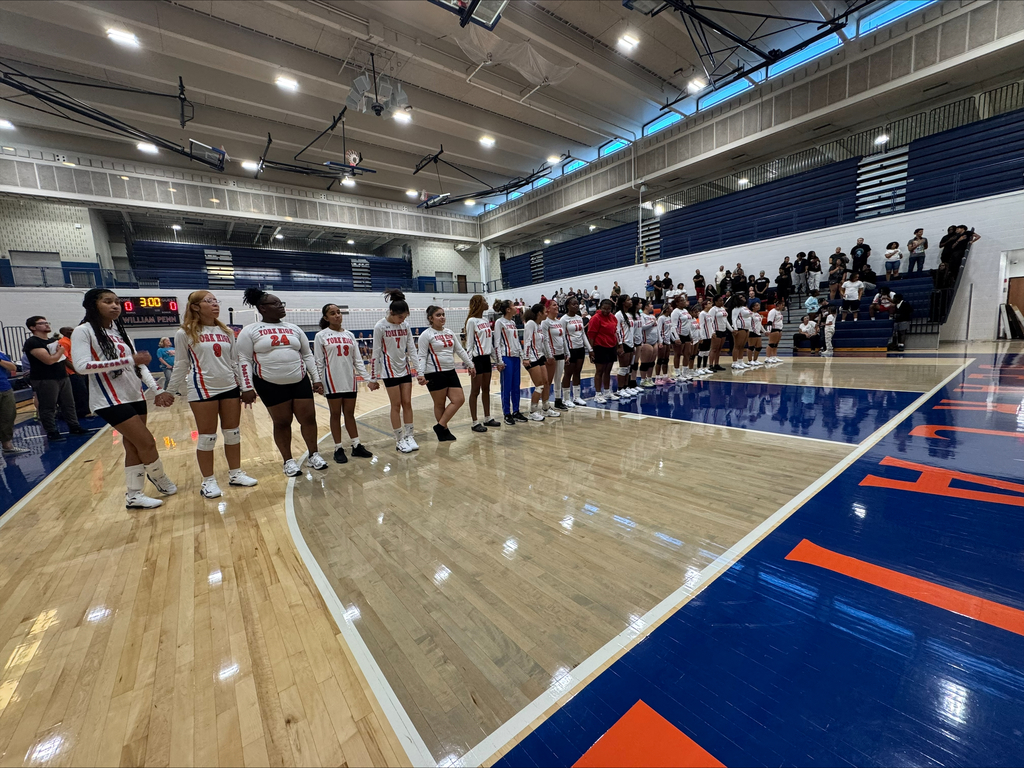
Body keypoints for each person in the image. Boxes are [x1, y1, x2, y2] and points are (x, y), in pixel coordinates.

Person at [71, 288, 176, 508]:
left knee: (133, 446)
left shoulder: (120, 332)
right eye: (108, 302)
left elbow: (139, 365)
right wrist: (127, 361)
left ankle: (134, 495)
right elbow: (81, 366)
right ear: (93, 305)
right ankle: (158, 476)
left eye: (117, 302)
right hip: (108, 399)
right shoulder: (84, 331)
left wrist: (157, 390)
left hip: (134, 395)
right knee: (146, 442)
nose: (115, 306)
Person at [165, 289, 259, 498]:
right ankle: (208, 481)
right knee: (207, 437)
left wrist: (245, 387)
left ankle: (235, 473)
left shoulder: (226, 332)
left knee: (232, 433)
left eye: (217, 300)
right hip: (202, 389)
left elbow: (235, 362)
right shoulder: (185, 333)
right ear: (196, 307)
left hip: (230, 388)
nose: (215, 304)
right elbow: (180, 364)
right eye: (209, 301)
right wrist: (169, 391)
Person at [237, 287, 327, 474]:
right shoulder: (250, 330)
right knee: (282, 422)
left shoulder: (293, 328)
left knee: (309, 419)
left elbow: (307, 355)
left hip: (299, 380)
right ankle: (288, 461)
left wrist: (316, 378)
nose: (281, 306)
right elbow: (244, 359)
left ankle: (314, 455)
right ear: (262, 308)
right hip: (269, 384)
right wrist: (246, 387)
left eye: (281, 303)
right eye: (276, 303)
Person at [314, 303, 377, 462]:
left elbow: (358, 360)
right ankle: (338, 448)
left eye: (338, 312)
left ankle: (356, 445)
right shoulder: (321, 336)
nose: (337, 315)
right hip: (332, 381)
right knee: (335, 414)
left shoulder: (349, 335)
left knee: (350, 414)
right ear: (326, 317)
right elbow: (319, 362)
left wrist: (368, 379)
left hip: (350, 380)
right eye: (332, 313)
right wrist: (318, 381)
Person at [369, 289, 420, 453]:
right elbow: (375, 352)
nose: (402, 320)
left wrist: (419, 372)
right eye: (400, 317)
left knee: (407, 403)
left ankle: (409, 435)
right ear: (391, 312)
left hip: (404, 369)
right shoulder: (380, 326)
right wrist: (373, 377)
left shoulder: (405, 325)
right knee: (396, 405)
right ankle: (399, 440)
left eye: (404, 317)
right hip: (389, 371)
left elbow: (411, 348)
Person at [23, 315, 86, 443]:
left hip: (62, 376)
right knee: (48, 406)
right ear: (33, 327)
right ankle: (52, 431)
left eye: (47, 322)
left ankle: (74, 427)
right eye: (42, 323)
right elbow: (49, 360)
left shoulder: (52, 341)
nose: (47, 325)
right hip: (44, 378)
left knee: (69, 404)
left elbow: (62, 360)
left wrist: (72, 369)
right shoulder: (33, 342)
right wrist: (60, 351)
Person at [417, 305, 474, 441]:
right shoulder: (426, 335)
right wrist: (420, 373)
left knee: (459, 399)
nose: (442, 317)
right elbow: (422, 356)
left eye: (443, 314)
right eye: (438, 315)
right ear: (430, 318)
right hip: (434, 372)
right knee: (439, 404)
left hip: (450, 371)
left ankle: (440, 426)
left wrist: (471, 364)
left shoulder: (449, 332)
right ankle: (444, 431)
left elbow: (460, 350)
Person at [464, 295, 503, 432]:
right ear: (478, 304)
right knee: (475, 391)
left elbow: (490, 344)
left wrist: (498, 360)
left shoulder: (486, 320)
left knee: (486, 389)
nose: (487, 303)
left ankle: (487, 418)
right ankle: (475, 422)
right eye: (485, 301)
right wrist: (470, 364)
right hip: (476, 360)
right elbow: (469, 345)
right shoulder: (471, 321)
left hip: (486, 359)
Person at [494, 299, 526, 425]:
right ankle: (506, 413)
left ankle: (516, 411)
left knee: (516, 386)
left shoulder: (512, 322)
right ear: (508, 309)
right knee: (506, 387)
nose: (515, 307)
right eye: (513, 305)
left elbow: (517, 341)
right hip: (505, 357)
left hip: (516, 357)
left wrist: (523, 356)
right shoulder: (499, 322)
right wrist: (499, 361)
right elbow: (496, 343)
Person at [558, 296, 591, 407]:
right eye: (573, 304)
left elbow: (583, 334)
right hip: (569, 349)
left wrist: (590, 349)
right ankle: (566, 398)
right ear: (568, 306)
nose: (576, 306)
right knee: (568, 373)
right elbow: (562, 337)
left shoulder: (579, 317)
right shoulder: (563, 319)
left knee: (577, 372)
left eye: (577, 304)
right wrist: (565, 352)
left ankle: (576, 397)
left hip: (580, 348)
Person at [521, 303, 552, 421]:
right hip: (531, 358)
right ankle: (533, 411)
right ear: (539, 313)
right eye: (545, 312)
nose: (546, 314)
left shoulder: (539, 325)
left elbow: (542, 343)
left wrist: (548, 355)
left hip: (539, 357)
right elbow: (527, 341)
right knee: (539, 385)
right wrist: (526, 357)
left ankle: (546, 408)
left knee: (546, 382)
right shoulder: (530, 324)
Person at [587, 298, 618, 404]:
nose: (606, 311)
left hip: (611, 346)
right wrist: (591, 350)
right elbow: (591, 335)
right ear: (600, 307)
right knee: (599, 371)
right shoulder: (595, 318)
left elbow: (614, 332)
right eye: (604, 309)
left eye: (608, 309)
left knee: (608, 371)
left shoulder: (613, 318)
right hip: (599, 347)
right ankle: (598, 394)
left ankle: (607, 392)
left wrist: (617, 346)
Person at [57, 326, 91, 420]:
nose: (72, 331)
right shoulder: (63, 342)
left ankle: (84, 410)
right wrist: (76, 370)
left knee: (84, 391)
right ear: (64, 332)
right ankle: (81, 412)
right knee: (79, 392)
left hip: (80, 370)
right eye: (70, 330)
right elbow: (64, 359)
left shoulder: (73, 341)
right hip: (72, 372)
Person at [541, 300, 569, 411]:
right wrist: (549, 355)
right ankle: (545, 403)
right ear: (548, 308)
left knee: (558, 378)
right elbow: (545, 340)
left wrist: (567, 352)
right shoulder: (545, 322)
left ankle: (558, 400)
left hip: (561, 353)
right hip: (551, 355)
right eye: (554, 305)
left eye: (557, 304)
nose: (557, 306)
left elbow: (563, 338)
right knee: (548, 380)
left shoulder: (559, 321)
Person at [0, 351, 27, 455]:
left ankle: (7, 445)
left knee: (9, 416)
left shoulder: (1, 355)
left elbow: (13, 368)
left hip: (5, 388)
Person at [614, 295, 637, 398]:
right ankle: (620, 389)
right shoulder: (618, 315)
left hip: (630, 343)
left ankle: (626, 387)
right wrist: (620, 346)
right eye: (628, 300)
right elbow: (617, 330)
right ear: (623, 302)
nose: (630, 301)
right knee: (623, 368)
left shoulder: (629, 314)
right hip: (623, 343)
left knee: (628, 368)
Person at [705, 295, 732, 373]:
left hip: (723, 330)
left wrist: (731, 330)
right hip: (716, 330)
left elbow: (726, 320)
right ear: (715, 302)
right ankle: (710, 365)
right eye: (720, 301)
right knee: (714, 349)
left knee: (719, 349)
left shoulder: (723, 309)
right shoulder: (713, 310)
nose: (722, 302)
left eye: (722, 300)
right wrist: (712, 332)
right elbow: (710, 321)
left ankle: (716, 364)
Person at [636, 301, 659, 387]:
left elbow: (657, 329)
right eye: (650, 304)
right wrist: (652, 322)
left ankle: (649, 378)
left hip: (654, 341)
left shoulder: (652, 316)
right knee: (645, 362)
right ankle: (643, 379)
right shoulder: (642, 316)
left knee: (652, 362)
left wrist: (659, 341)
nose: (652, 306)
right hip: (646, 342)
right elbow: (642, 327)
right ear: (646, 307)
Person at [729, 296, 752, 371]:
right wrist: (735, 329)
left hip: (746, 328)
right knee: (737, 346)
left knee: (742, 346)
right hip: (740, 328)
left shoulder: (745, 307)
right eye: (741, 297)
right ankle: (734, 363)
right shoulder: (736, 309)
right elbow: (734, 319)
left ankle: (740, 361)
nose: (744, 298)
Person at [765, 297, 785, 364]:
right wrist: (769, 330)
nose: (783, 306)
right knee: (771, 343)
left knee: (776, 344)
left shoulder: (779, 312)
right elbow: (770, 321)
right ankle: (767, 357)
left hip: (779, 329)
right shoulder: (772, 311)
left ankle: (774, 356)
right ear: (778, 305)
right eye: (782, 305)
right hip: (774, 329)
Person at [746, 302, 764, 367]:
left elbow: (760, 324)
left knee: (759, 347)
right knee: (751, 346)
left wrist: (764, 331)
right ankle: (750, 360)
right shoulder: (751, 314)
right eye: (756, 305)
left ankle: (755, 360)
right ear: (753, 307)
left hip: (758, 332)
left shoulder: (758, 314)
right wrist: (751, 330)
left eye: (759, 305)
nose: (758, 306)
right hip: (752, 331)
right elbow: (749, 323)